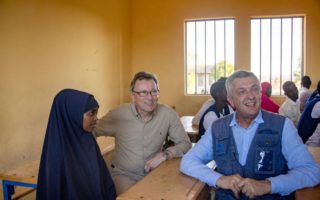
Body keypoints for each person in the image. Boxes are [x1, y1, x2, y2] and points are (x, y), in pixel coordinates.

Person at [180, 70, 320, 199]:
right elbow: (188, 162)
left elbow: (311, 171)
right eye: (242, 92)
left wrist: (269, 185)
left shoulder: (282, 126)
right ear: (231, 100)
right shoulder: (217, 128)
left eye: (255, 89)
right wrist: (219, 179)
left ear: (260, 93)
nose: (251, 96)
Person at [93, 71, 192, 195]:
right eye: (143, 93)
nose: (150, 97)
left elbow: (185, 143)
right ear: (133, 95)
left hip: (155, 173)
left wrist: (165, 154)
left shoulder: (168, 114)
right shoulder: (118, 114)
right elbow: (92, 130)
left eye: (154, 91)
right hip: (124, 176)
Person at [37, 89, 116, 200]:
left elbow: (102, 181)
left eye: (96, 113)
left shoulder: (88, 140)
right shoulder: (57, 155)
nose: (96, 119)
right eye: (91, 113)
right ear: (73, 114)